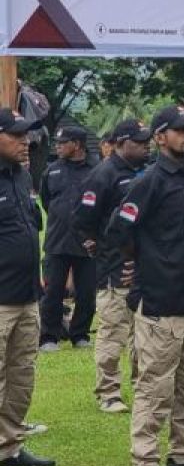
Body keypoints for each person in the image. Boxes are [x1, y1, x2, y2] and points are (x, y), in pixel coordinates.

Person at [107, 105, 184, 466]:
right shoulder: (149, 181)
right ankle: (144, 462)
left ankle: (183, 456)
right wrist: (137, 264)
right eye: (180, 130)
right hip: (159, 298)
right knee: (155, 385)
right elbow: (118, 229)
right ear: (160, 137)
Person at [73, 118, 152, 414]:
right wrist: (98, 246)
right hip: (114, 268)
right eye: (140, 142)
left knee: (143, 332)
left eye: (148, 141)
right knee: (113, 331)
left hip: (145, 266)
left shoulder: (146, 170)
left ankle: (143, 386)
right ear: (120, 143)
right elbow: (82, 220)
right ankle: (108, 392)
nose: (147, 146)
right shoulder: (103, 174)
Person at [0, 108, 55, 466]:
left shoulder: (21, 177)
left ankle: (9, 447)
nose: (26, 142)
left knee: (21, 376)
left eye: (28, 135)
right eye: (18, 135)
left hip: (26, 296)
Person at [38, 126, 96, 351]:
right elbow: (46, 201)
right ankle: (49, 336)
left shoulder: (97, 170)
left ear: (78, 145)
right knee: (52, 291)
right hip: (57, 241)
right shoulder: (51, 171)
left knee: (86, 292)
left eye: (63, 142)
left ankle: (80, 334)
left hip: (87, 242)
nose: (58, 146)